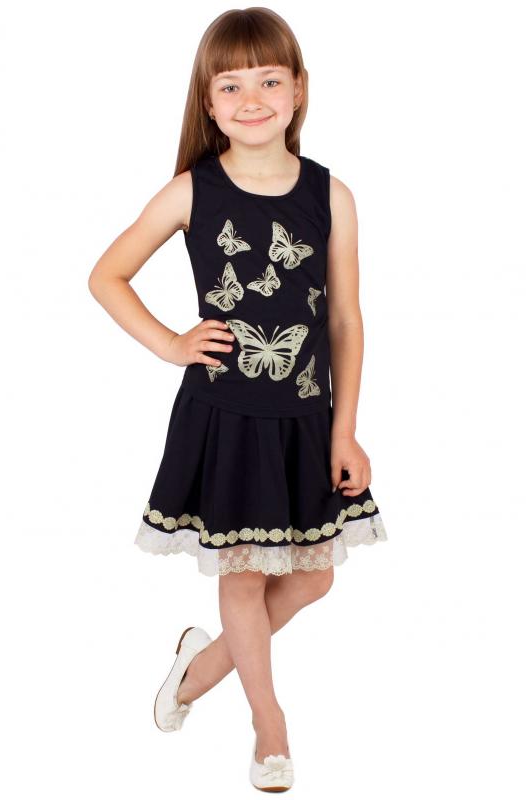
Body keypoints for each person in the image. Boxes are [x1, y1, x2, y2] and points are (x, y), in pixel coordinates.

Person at [88, 8, 388, 791]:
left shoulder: (331, 194)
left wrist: (346, 430)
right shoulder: (193, 191)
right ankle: (269, 722)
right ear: (209, 102)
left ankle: (202, 664)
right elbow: (106, 276)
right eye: (231, 85)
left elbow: (345, 320)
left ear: (299, 90)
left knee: (314, 576)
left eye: (269, 80)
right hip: (227, 417)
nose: (251, 98)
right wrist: (169, 343)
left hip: (305, 418)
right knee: (246, 577)